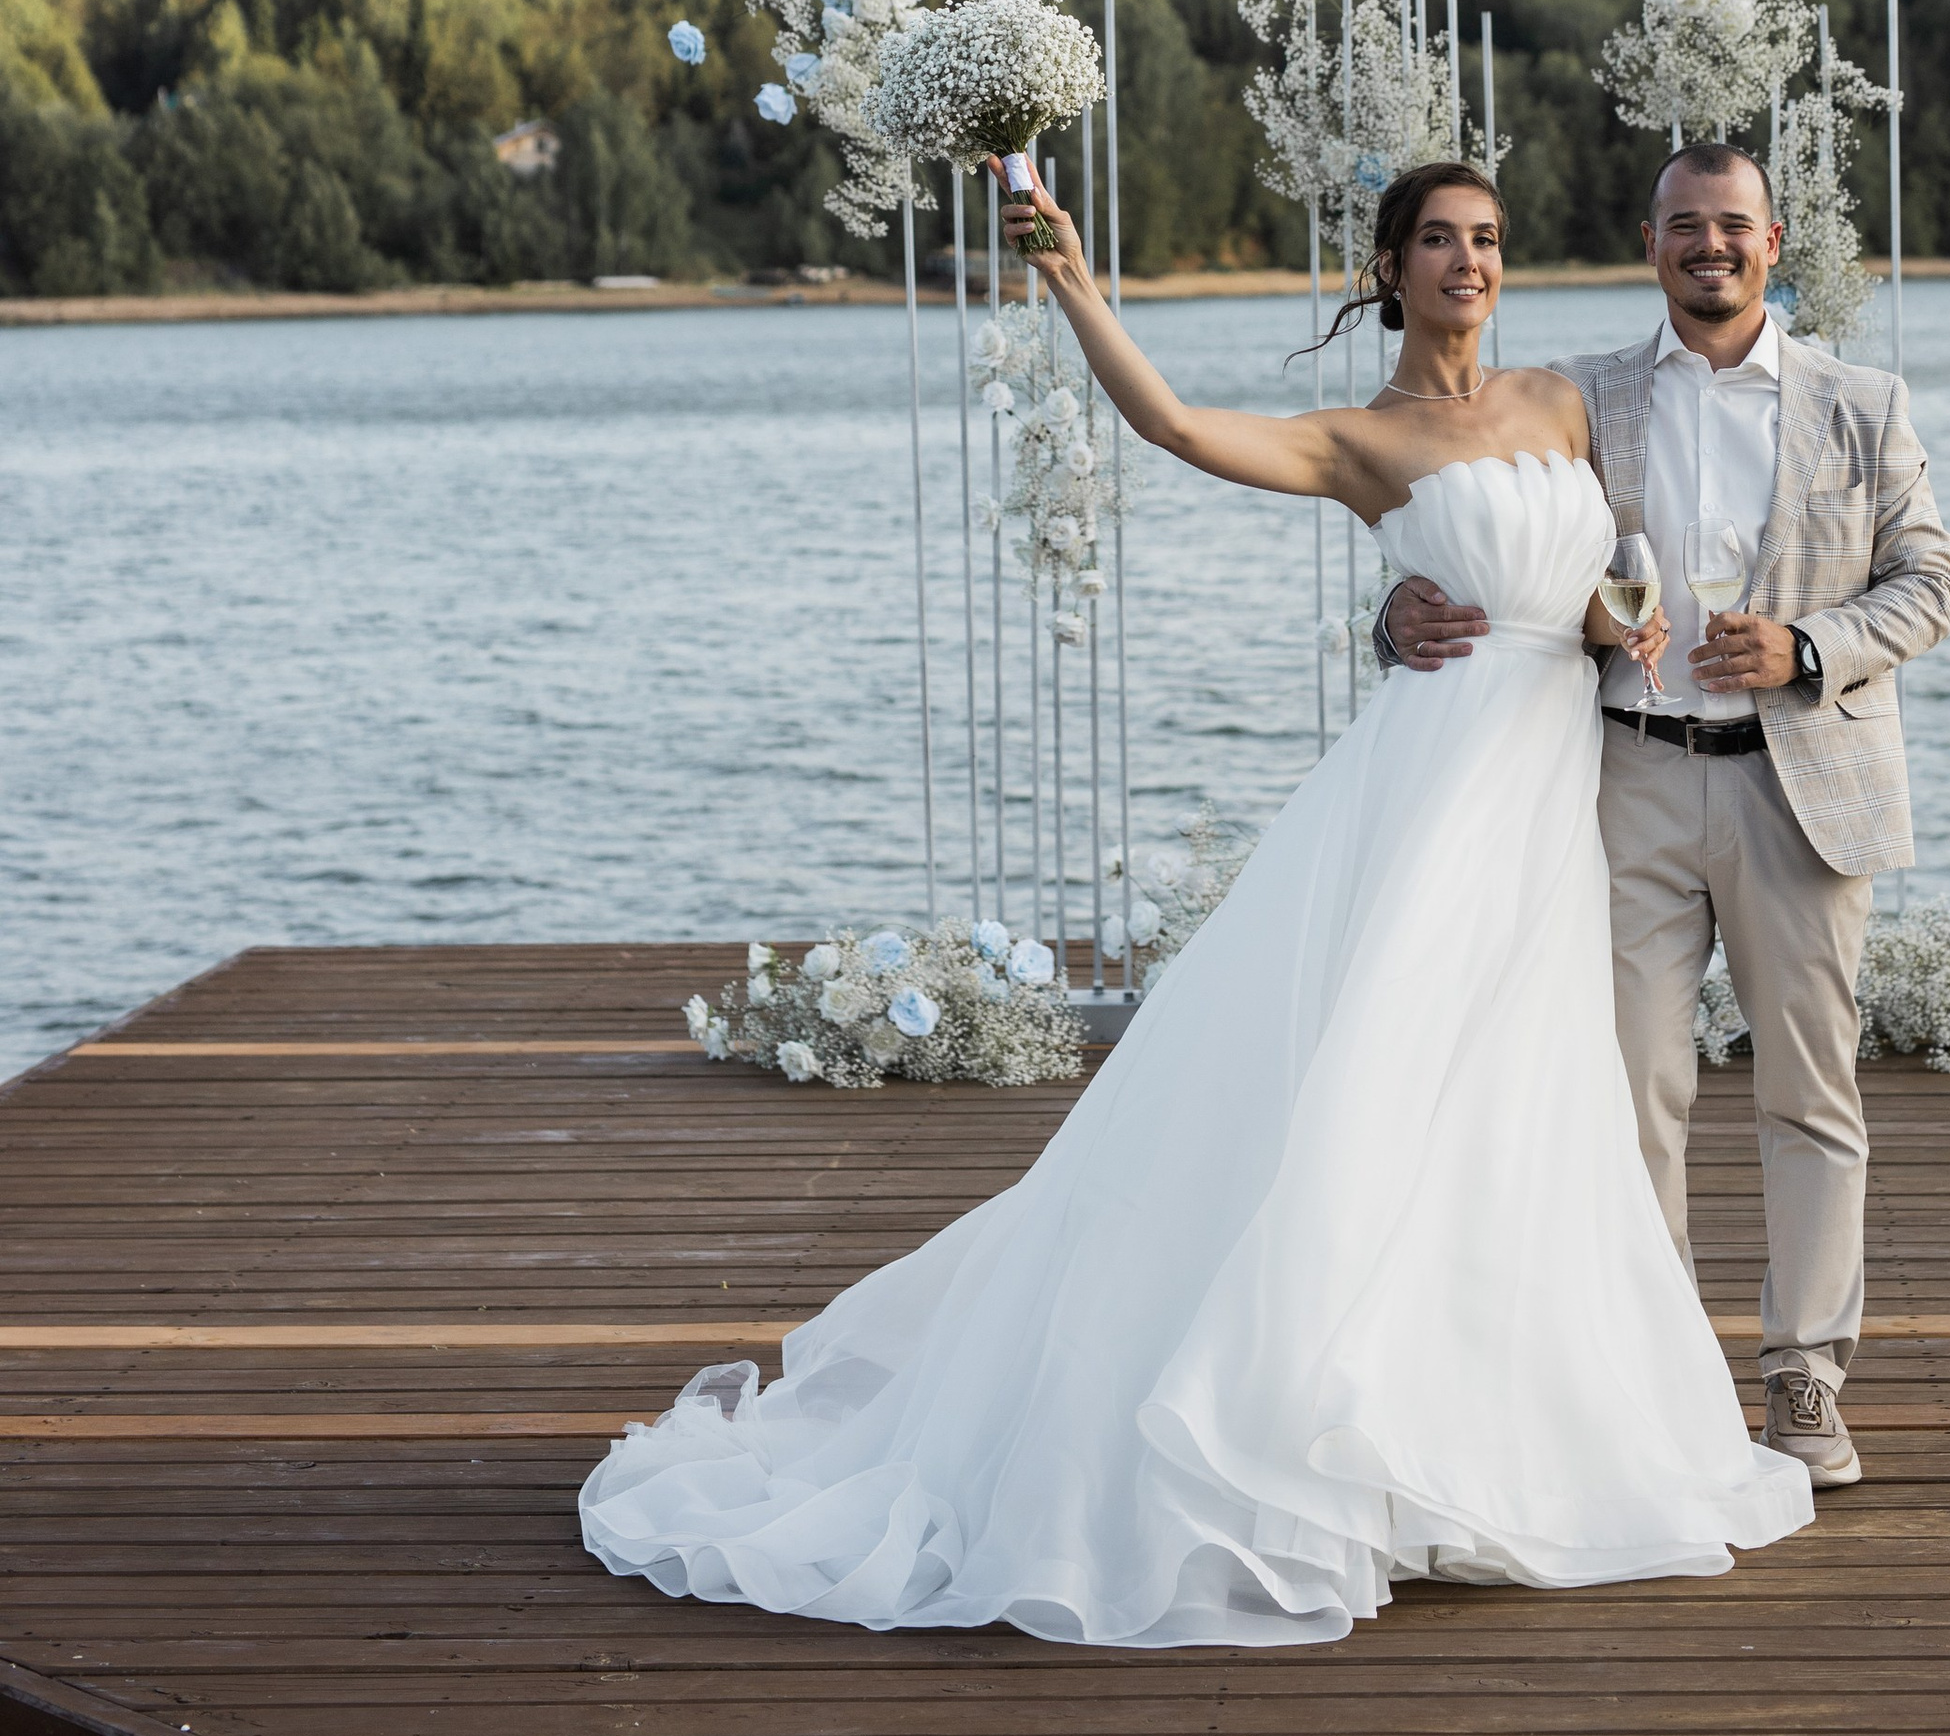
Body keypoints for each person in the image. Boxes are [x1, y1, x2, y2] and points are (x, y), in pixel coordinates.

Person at [579, 158, 1815, 1649]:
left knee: (1521, 1101)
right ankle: (1320, 1434)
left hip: (1557, 795)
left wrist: (1629, 614)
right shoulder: (1363, 439)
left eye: (1488, 239)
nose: (1469, 263)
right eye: (1438, 241)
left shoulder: (1562, 404)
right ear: (1391, 268)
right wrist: (1073, 282)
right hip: (1435, 795)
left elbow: (1605, 580)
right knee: (1378, 1092)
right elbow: (1172, 424)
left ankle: (1484, 1430)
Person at [1375, 143, 1950, 1491]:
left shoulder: (1863, 402)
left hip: (1799, 786)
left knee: (1809, 1094)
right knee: (1631, 1092)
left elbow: (1931, 584)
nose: (1711, 245)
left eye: (1733, 225)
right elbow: (1460, 513)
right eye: (1685, 225)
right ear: (1651, 245)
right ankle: (1661, 1381)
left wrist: (1807, 645)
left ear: (1773, 244)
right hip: (1625, 777)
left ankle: (1805, 1376)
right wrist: (1394, 609)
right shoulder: (1580, 397)